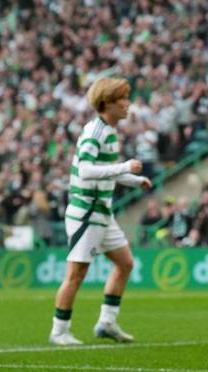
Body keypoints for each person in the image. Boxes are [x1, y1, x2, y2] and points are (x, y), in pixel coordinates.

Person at [49, 78, 151, 346]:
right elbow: (85, 170)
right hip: (86, 212)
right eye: (122, 99)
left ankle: (106, 322)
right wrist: (125, 168)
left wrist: (134, 180)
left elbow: (104, 171)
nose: (127, 104)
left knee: (125, 263)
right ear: (107, 103)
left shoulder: (108, 131)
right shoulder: (96, 132)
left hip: (102, 211)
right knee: (76, 274)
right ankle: (59, 331)